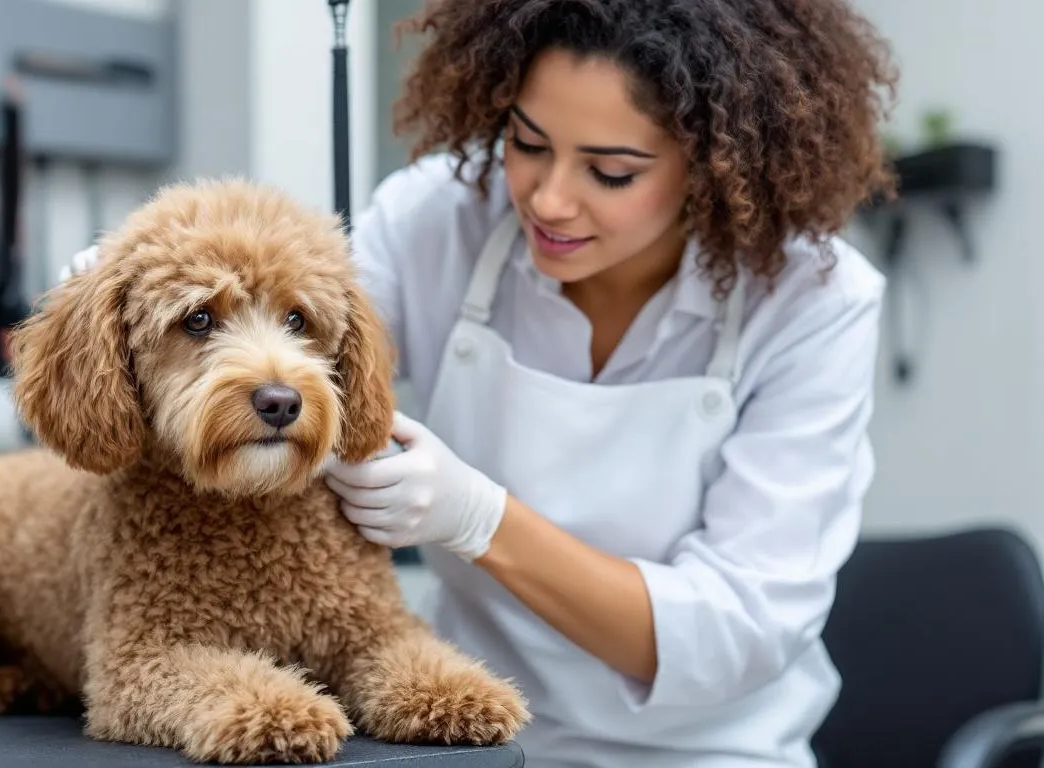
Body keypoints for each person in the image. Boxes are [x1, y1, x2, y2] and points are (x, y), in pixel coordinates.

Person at [64, 1, 898, 764]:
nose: (550, 200)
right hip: (467, 741)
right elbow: (302, 342)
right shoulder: (439, 216)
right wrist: (131, 303)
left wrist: (479, 518)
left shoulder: (815, 303)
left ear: (718, 163)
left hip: (712, 751)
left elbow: (738, 631)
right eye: (527, 143)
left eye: (611, 172)